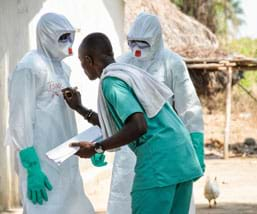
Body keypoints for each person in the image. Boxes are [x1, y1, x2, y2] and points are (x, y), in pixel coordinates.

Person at [64, 32, 203, 214]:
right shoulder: (129, 73)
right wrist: (80, 108)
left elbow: (138, 125)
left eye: (82, 63)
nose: (83, 68)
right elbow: (119, 122)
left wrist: (97, 147)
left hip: (158, 164)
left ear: (88, 60)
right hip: (181, 158)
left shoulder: (111, 82)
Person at [107, 12, 205, 214]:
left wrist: (197, 146)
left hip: (166, 148)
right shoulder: (122, 63)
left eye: (144, 43)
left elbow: (189, 107)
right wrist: (104, 138)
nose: (137, 49)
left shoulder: (172, 63)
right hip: (130, 148)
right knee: (125, 202)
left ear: (156, 40)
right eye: (133, 42)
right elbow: (114, 106)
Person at [7, 13, 94, 214]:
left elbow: (61, 114)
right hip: (40, 161)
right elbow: (19, 118)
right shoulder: (29, 67)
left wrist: (96, 146)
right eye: (62, 37)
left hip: (65, 157)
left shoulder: (62, 68)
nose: (69, 43)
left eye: (70, 36)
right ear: (46, 37)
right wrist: (32, 165)